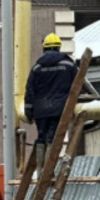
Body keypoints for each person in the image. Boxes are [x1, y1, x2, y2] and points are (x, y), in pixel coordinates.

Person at [24, 32, 77, 168]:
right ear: (59, 47)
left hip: (40, 110)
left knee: (41, 137)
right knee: (52, 138)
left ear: (44, 48)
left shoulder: (37, 67)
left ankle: (41, 170)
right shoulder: (68, 64)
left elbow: (29, 91)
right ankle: (49, 170)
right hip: (59, 109)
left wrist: (28, 112)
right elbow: (77, 85)